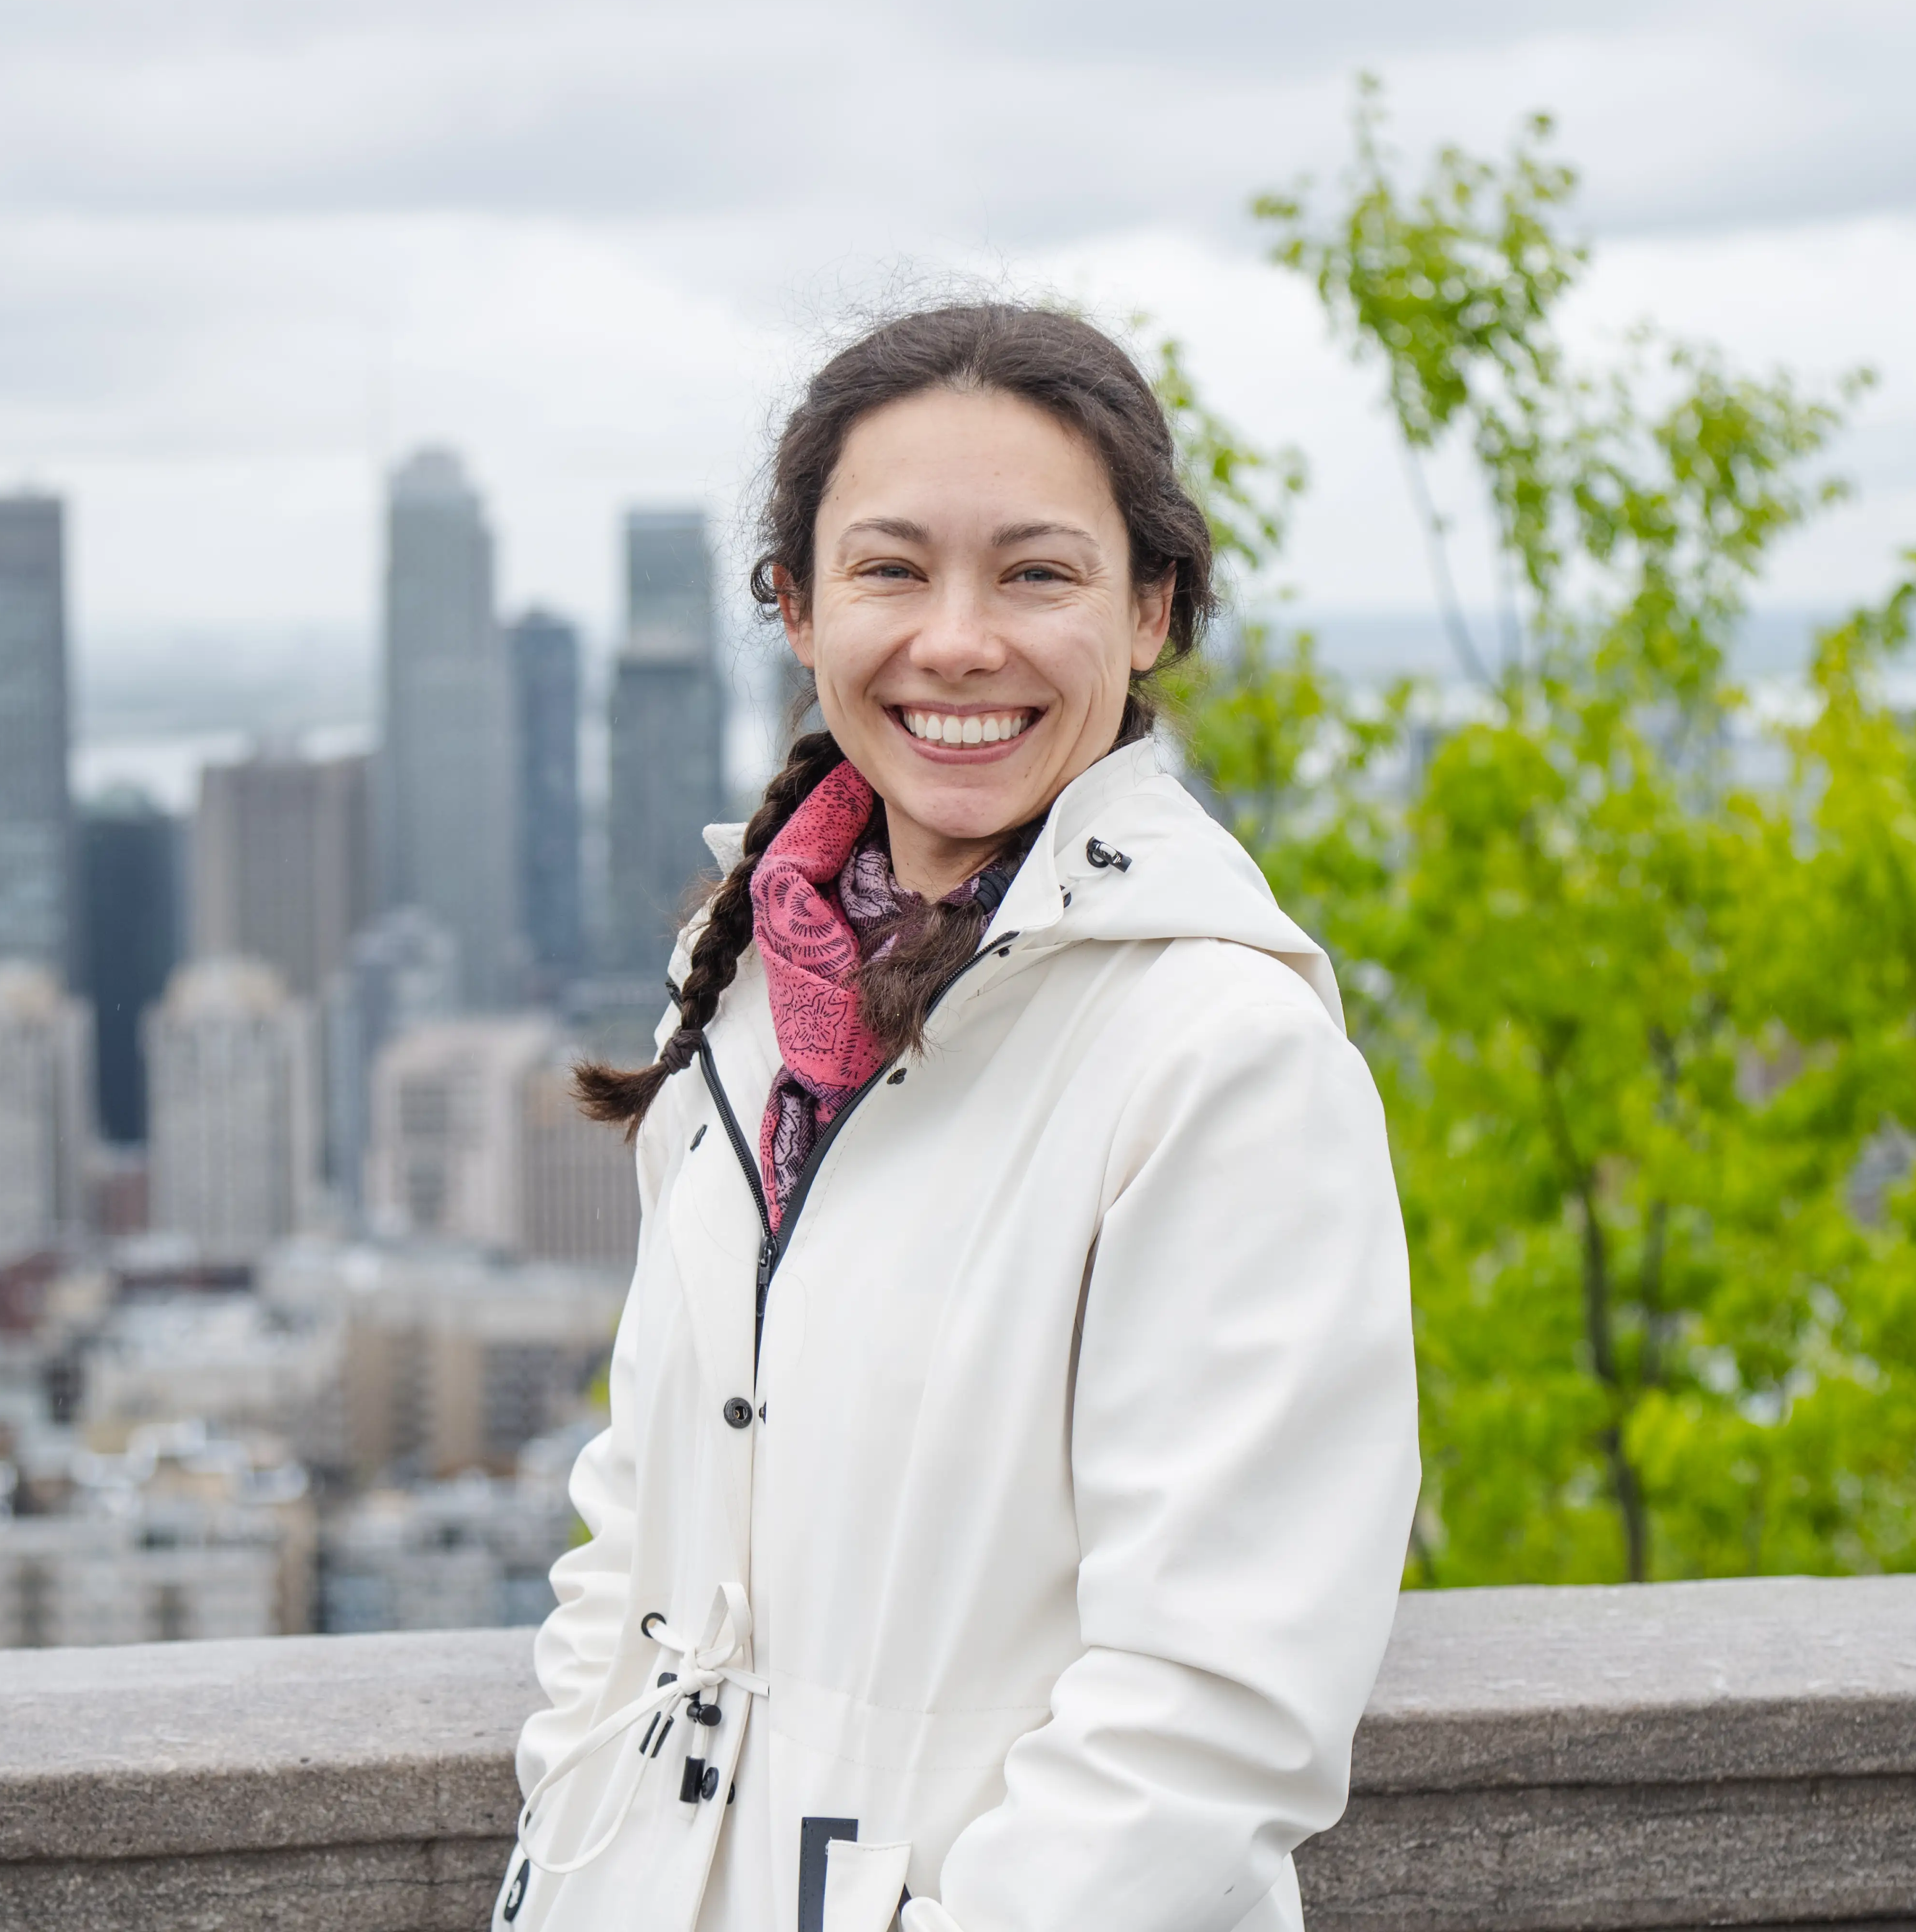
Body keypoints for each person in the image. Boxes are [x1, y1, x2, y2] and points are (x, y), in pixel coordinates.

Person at [499, 303, 1419, 1932]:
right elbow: (637, 1524)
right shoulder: (747, 994)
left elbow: (1215, 1710)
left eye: (1039, 574)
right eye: (893, 570)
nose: (960, 641)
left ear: (1152, 611)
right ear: (794, 607)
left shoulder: (1220, 1054)